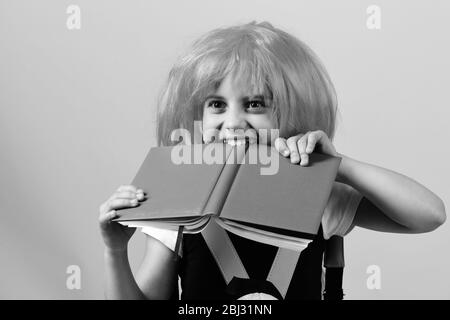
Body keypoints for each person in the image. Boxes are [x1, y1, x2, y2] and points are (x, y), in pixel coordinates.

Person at [98, 21, 446, 300]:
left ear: (293, 111)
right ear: (196, 116)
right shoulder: (177, 207)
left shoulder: (320, 196)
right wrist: (114, 252)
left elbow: (429, 215)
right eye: (216, 105)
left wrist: (339, 165)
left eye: (255, 104)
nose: (233, 123)